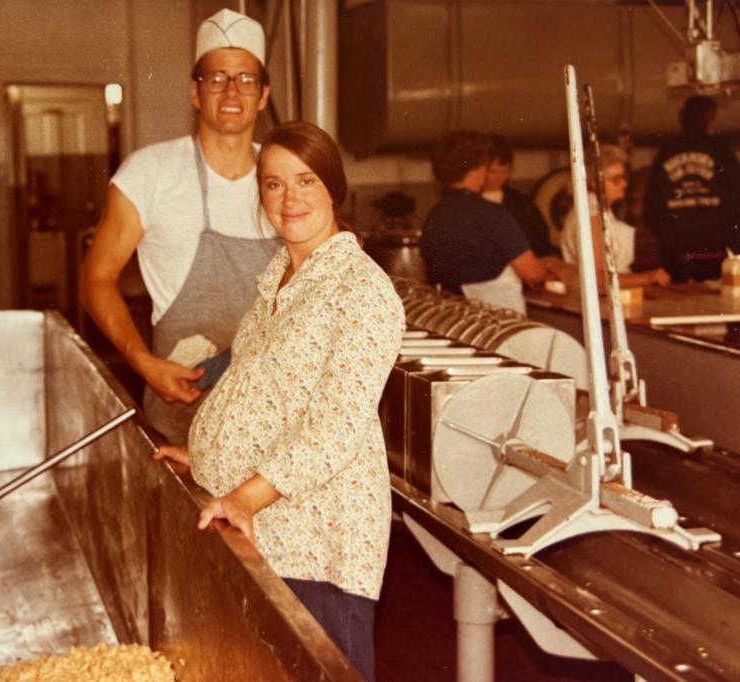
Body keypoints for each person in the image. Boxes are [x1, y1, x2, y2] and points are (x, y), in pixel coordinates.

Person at [157, 121, 404, 681]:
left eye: (306, 181)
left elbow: (333, 428)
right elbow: (261, 389)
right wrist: (208, 456)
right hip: (267, 525)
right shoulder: (282, 276)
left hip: (317, 540)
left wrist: (244, 495)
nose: (289, 199)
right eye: (273, 184)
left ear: (334, 190)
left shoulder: (361, 291)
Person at [79, 9, 277, 444]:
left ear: (263, 94)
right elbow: (96, 279)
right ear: (195, 90)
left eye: (245, 79)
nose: (231, 91)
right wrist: (142, 362)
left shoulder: (284, 176)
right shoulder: (149, 173)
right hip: (183, 412)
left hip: (272, 418)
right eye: (216, 78)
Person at [420, 131, 560, 314]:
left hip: (454, 319)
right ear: (476, 170)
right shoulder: (492, 214)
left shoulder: (435, 216)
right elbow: (532, 273)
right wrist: (552, 275)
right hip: (497, 323)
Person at [643, 95, 740, 281]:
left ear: (682, 118)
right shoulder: (721, 150)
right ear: (711, 120)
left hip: (675, 255)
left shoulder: (667, 150)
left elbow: (651, 207)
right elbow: (737, 200)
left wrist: (669, 238)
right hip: (714, 253)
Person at [562, 144, 671, 289]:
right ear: (594, 182)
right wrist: (649, 278)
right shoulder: (590, 215)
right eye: (616, 179)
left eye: (624, 177)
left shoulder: (599, 210)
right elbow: (597, 279)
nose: (624, 184)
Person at [482, 135, 557, 257]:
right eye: (493, 172)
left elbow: (540, 243)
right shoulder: (467, 200)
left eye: (505, 171)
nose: (499, 177)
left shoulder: (522, 204)